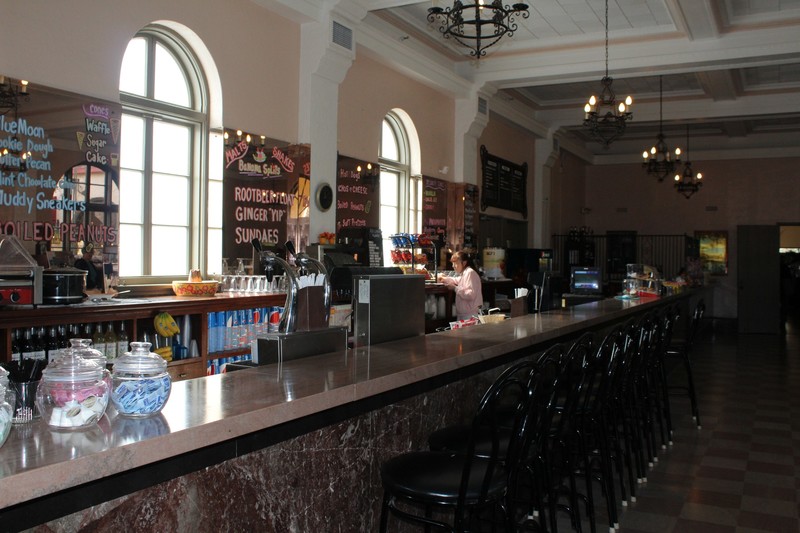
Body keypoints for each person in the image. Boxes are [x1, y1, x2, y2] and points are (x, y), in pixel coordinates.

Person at [438, 251, 483, 320]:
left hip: (470, 316)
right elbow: (456, 280)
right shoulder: (465, 273)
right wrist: (444, 279)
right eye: (452, 263)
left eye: (455, 263)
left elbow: (470, 295)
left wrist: (455, 288)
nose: (453, 266)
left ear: (464, 263)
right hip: (465, 315)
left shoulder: (470, 273)